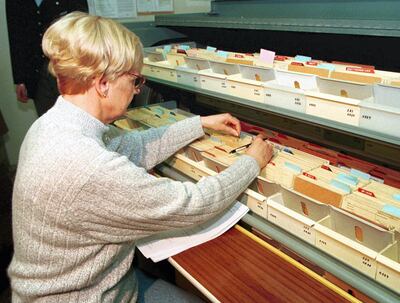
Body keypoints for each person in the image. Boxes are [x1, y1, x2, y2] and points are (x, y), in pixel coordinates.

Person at [8, 12, 274, 302]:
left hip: (94, 285)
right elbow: (192, 204)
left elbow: (132, 146)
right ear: (103, 84)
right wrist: (251, 162)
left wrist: (199, 124)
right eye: (135, 80)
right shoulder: (88, 166)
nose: (137, 91)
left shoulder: (54, 124)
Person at [6, 0, 88, 116]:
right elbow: (16, 37)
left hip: (69, 65)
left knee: (77, 114)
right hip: (36, 70)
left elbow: (83, 24)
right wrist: (20, 79)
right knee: (47, 117)